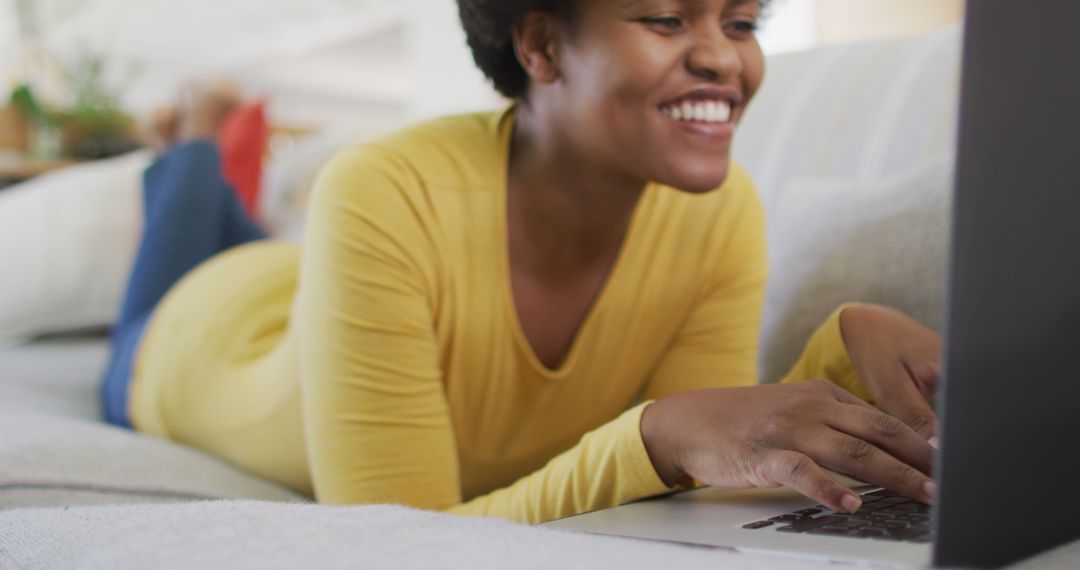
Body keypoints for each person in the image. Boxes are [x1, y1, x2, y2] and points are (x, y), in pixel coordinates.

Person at [101, 0, 943, 524]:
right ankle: (198, 141)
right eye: (666, 19)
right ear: (541, 45)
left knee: (252, 226)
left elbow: (701, 481)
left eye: (741, 21)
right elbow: (396, 538)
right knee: (189, 202)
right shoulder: (379, 187)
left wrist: (839, 350)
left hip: (315, 285)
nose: (726, 57)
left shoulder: (721, 213)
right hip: (189, 340)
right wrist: (653, 434)